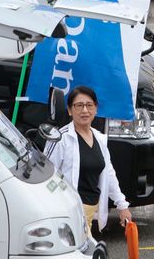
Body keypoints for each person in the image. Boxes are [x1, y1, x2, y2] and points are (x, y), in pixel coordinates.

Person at [45, 86, 131, 236]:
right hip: (69, 212)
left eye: (89, 105)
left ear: (96, 109)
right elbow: (47, 175)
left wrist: (122, 205)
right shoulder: (61, 138)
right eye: (79, 105)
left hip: (91, 210)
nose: (85, 110)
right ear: (70, 110)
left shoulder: (99, 138)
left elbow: (109, 173)